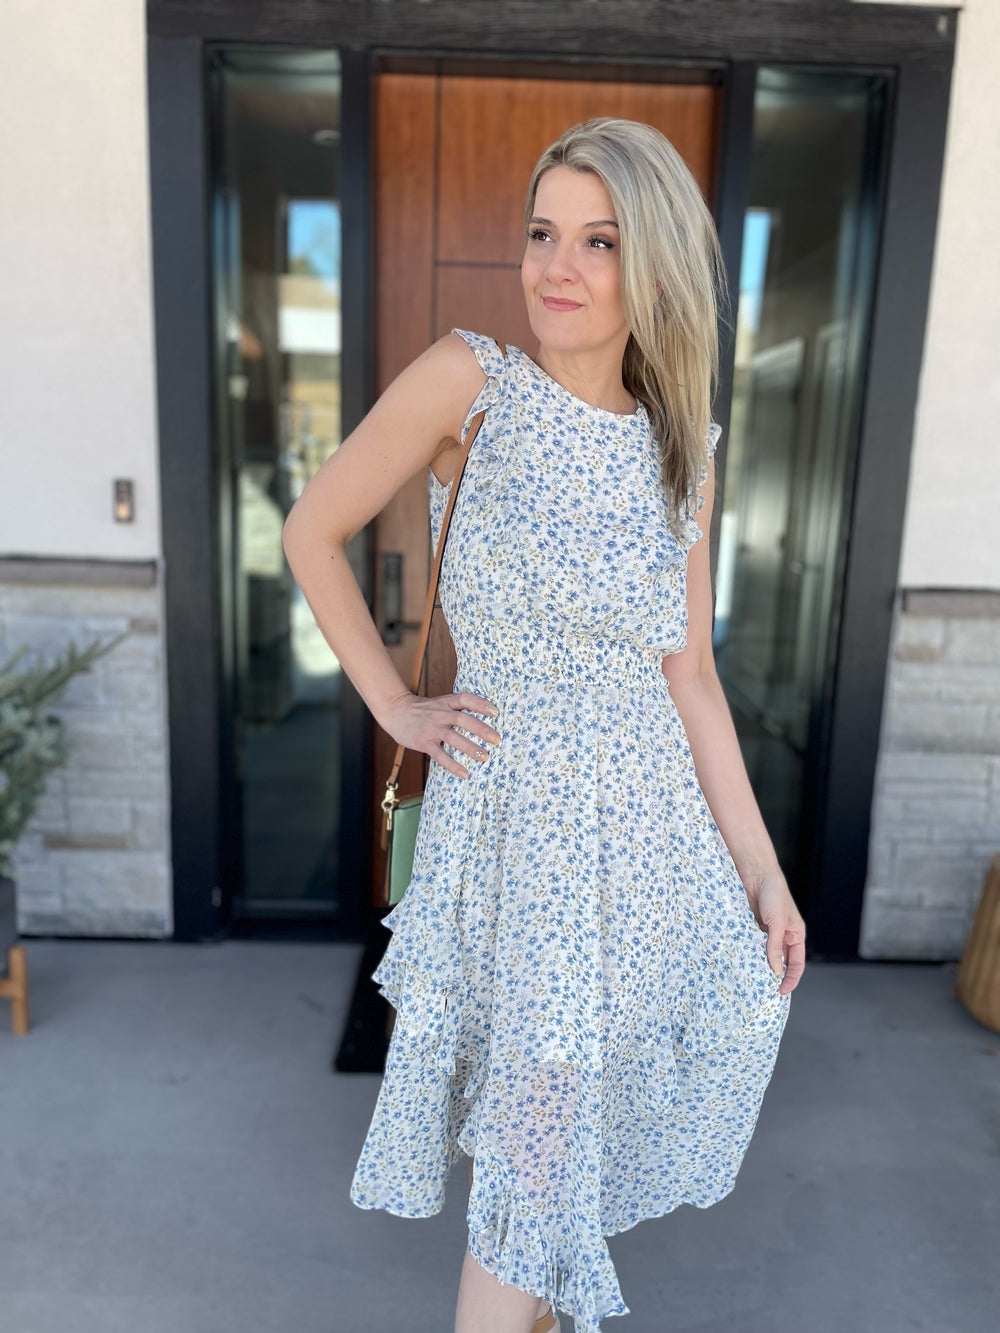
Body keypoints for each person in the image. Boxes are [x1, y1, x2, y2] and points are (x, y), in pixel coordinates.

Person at [282, 116, 807, 1333]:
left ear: (651, 264)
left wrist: (762, 873)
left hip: (646, 849)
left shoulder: (682, 450)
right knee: (532, 1161)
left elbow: (691, 678)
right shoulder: (472, 383)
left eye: (599, 240)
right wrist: (395, 704)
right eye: (541, 233)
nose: (556, 266)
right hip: (521, 848)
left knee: (559, 1142)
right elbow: (311, 532)